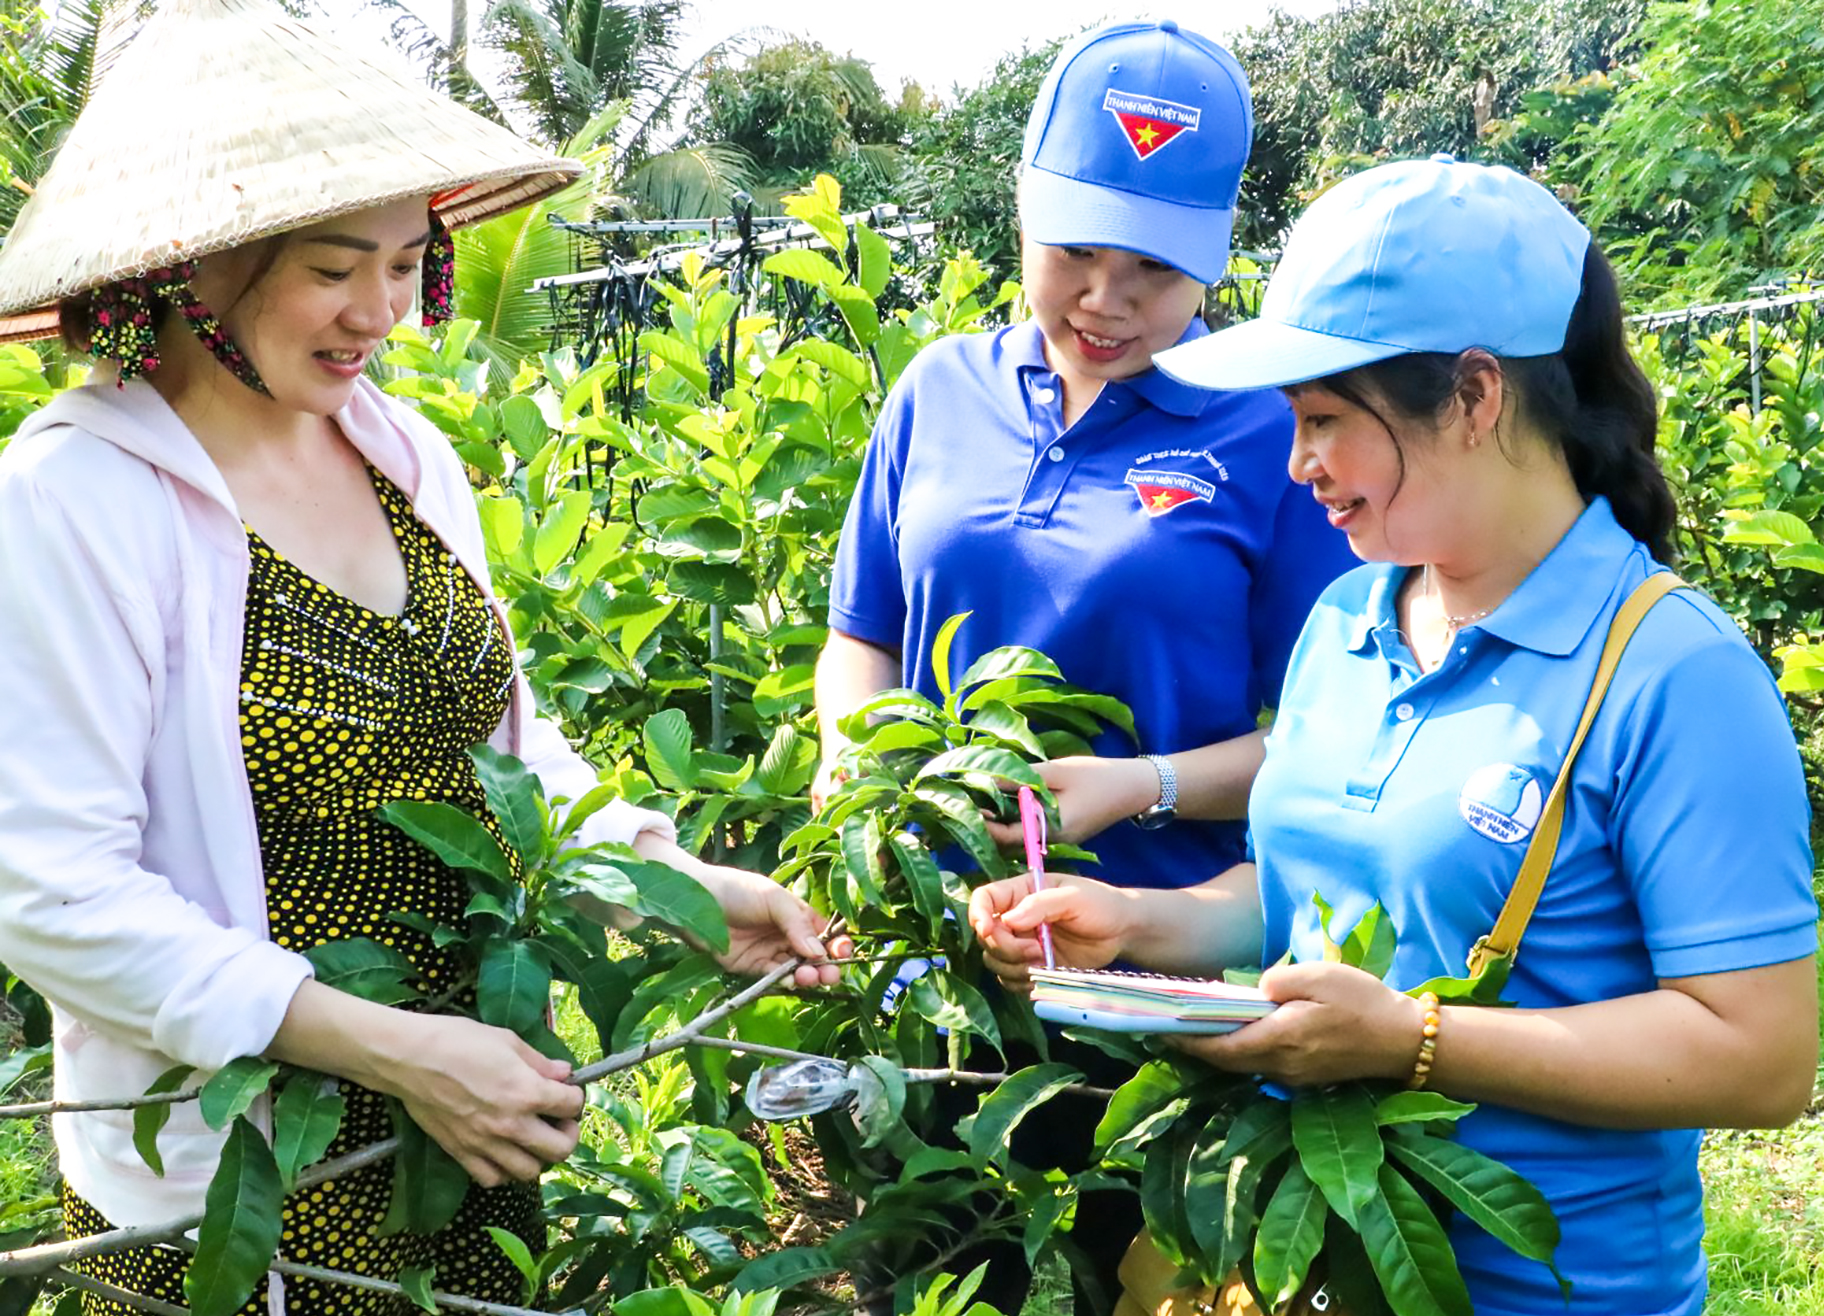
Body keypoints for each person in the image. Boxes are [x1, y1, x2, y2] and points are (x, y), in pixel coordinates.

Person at [0, 3, 844, 1312]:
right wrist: (397, 1052)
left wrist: (672, 882)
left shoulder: (402, 453)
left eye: (409, 263)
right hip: (237, 1187)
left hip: (467, 1122)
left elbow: (504, 751)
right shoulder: (74, 499)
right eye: (338, 267)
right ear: (194, 261)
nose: (382, 313)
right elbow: (53, 891)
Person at [969, 156, 1819, 1316]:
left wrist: (1416, 1043)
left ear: (1474, 396)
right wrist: (1134, 924)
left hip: (1547, 1287)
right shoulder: (1351, 618)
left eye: (1325, 419)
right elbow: (1309, 891)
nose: (1297, 463)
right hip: (1299, 1256)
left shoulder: (1677, 674)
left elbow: (1761, 1056)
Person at [814, 20, 1353, 1313]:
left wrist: (1136, 785)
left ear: (1213, 264)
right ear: (1020, 215)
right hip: (928, 964)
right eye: (1074, 255)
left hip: (1155, 990)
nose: (1105, 303)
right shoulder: (935, 394)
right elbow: (860, 639)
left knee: (1111, 1279)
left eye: (1154, 271)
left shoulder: (1268, 432)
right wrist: (860, 789)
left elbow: (1330, 740)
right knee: (926, 1269)